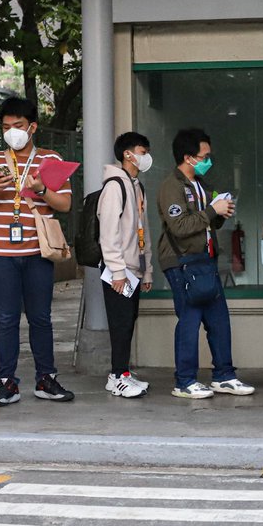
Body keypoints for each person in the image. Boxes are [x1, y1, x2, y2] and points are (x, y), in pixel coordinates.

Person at [0, 97, 75, 407]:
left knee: (41, 317)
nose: (11, 132)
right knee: (5, 319)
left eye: (17, 126)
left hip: (38, 251)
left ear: (33, 127)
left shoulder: (50, 159)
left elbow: (66, 205)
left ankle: (46, 378)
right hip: (1, 253)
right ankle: (8, 383)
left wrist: (42, 188)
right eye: (5, 127)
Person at [157, 128, 254, 399]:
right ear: (188, 157)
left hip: (206, 261)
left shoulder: (201, 185)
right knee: (189, 320)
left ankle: (224, 375)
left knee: (219, 321)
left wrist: (221, 212)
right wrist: (213, 210)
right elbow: (179, 226)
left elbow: (207, 220)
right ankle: (184, 380)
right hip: (182, 262)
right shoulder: (171, 186)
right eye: (204, 156)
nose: (208, 160)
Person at [98, 132, 155, 398]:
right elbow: (109, 233)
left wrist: (147, 270)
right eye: (142, 151)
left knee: (128, 322)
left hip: (134, 268)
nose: (145, 157)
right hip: (118, 271)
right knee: (120, 324)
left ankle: (121, 373)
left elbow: (143, 231)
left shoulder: (136, 186)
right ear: (127, 154)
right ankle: (117, 375)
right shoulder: (115, 186)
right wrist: (118, 271)